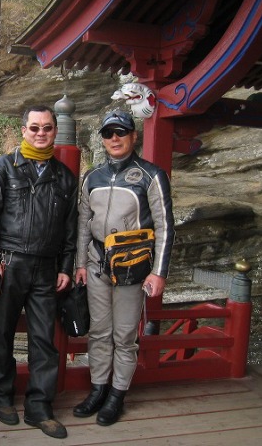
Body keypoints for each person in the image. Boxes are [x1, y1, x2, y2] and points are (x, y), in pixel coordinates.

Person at [0, 105, 77, 440]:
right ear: (23, 130)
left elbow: (70, 229)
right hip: (9, 263)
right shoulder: (3, 168)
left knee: (44, 340)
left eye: (47, 128)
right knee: (2, 333)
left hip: (47, 268)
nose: (41, 133)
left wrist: (66, 267)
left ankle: (39, 406)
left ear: (55, 131)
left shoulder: (64, 177)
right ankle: (1, 396)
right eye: (34, 128)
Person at [72, 109, 175, 426]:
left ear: (133, 136)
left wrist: (159, 272)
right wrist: (80, 264)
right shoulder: (92, 177)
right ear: (102, 139)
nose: (114, 138)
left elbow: (165, 226)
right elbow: (83, 224)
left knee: (125, 335)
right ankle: (98, 389)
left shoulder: (151, 176)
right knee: (99, 331)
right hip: (97, 263)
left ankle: (117, 395)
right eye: (108, 133)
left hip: (133, 266)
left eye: (120, 132)